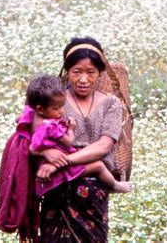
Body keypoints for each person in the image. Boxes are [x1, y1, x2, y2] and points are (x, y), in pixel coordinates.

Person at [34, 37, 127, 242]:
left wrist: (60, 163)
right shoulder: (53, 102)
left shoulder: (111, 104)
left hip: (92, 191)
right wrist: (46, 153)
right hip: (56, 188)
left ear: (99, 74)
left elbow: (103, 146)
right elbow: (31, 137)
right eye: (77, 72)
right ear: (67, 71)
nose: (83, 79)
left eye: (90, 72)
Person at [22, 74, 131, 198]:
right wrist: (71, 129)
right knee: (99, 166)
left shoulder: (35, 116)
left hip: (51, 166)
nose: (61, 111)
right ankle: (115, 185)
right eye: (57, 108)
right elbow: (68, 142)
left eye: (62, 106)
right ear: (40, 109)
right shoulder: (50, 127)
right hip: (59, 167)